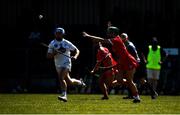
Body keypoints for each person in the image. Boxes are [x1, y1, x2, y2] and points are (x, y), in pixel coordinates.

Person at [82, 26, 141, 103]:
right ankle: (133, 85)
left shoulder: (116, 39)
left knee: (129, 80)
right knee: (119, 79)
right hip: (121, 62)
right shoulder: (115, 39)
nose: (108, 33)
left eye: (110, 32)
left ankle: (137, 97)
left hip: (128, 61)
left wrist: (89, 36)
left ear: (114, 33)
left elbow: (102, 40)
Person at [47, 27, 86, 102]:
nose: (58, 35)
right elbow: (48, 56)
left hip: (66, 63)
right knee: (69, 82)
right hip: (58, 65)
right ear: (55, 34)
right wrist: (54, 53)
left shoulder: (66, 43)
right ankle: (80, 82)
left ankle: (64, 95)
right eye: (57, 33)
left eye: (60, 33)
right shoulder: (52, 43)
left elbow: (77, 50)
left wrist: (75, 56)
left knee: (61, 78)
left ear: (63, 34)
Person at [120, 33, 158, 99]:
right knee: (131, 79)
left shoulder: (129, 45)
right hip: (135, 63)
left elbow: (133, 56)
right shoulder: (127, 44)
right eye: (121, 37)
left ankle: (152, 93)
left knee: (134, 80)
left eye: (123, 37)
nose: (122, 38)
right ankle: (132, 95)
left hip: (137, 64)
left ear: (127, 38)